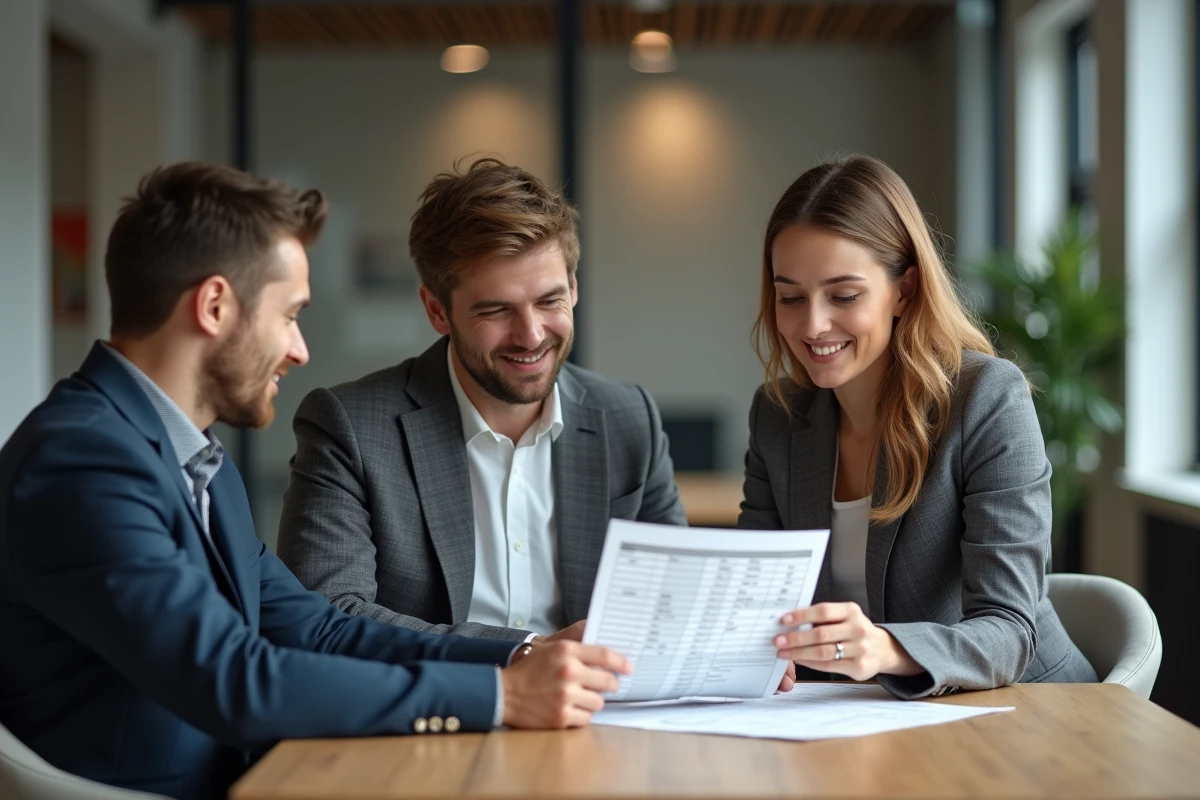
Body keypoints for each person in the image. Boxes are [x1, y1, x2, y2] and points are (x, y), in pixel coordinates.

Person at [0, 162, 630, 800]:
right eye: (289, 315)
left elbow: (320, 630)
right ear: (214, 306)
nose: (299, 350)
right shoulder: (83, 462)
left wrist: (522, 656)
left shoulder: (193, 460)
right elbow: (236, 681)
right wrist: (500, 696)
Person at [276, 157, 687, 644]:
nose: (531, 335)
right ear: (437, 311)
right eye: (496, 310)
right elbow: (326, 620)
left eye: (549, 301)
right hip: (439, 694)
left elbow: (674, 602)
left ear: (574, 288)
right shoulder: (350, 427)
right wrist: (525, 653)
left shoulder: (628, 418)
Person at [740, 155, 1097, 699]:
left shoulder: (986, 398)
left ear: (904, 290)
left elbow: (1008, 630)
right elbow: (755, 599)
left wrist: (884, 648)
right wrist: (754, 645)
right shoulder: (778, 415)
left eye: (844, 296)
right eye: (790, 297)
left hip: (1028, 708)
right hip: (867, 715)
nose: (812, 324)